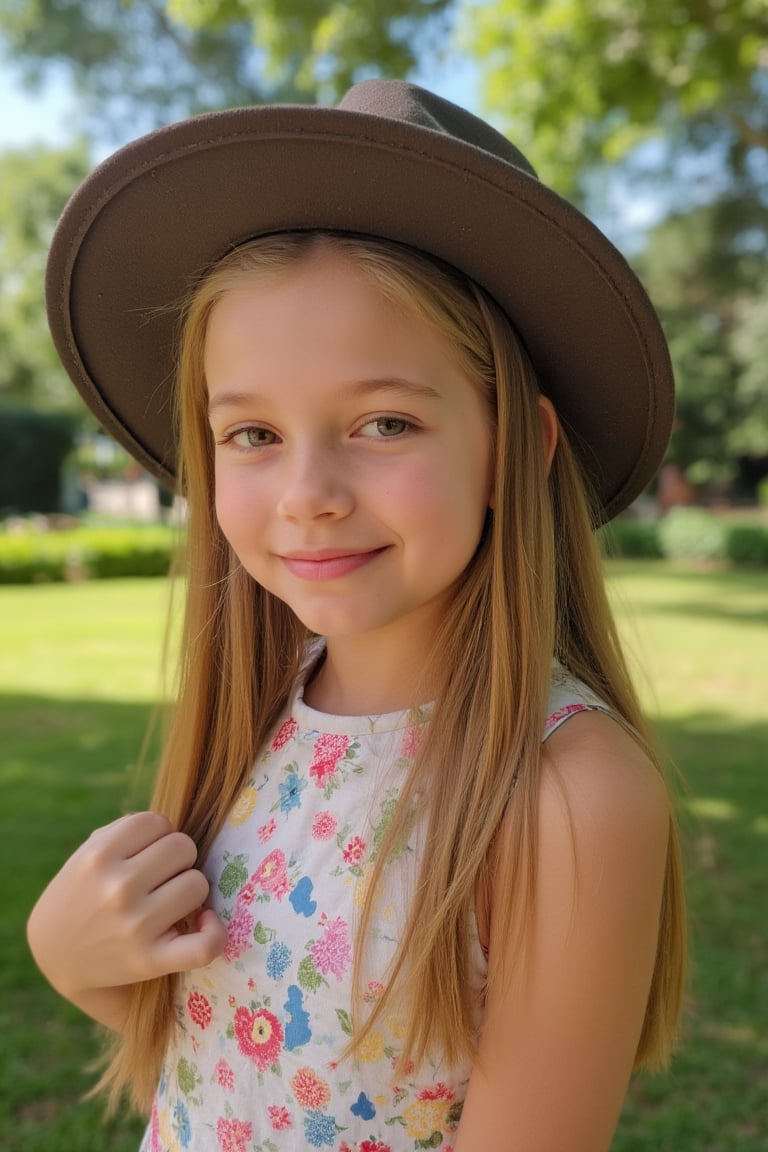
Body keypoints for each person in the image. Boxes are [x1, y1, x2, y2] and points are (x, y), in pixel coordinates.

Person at [29, 80, 686, 1152]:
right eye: (252, 434)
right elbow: (252, 1065)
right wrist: (78, 962)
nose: (308, 492)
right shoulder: (266, 713)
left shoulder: (567, 793)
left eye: (383, 421)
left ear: (519, 447)